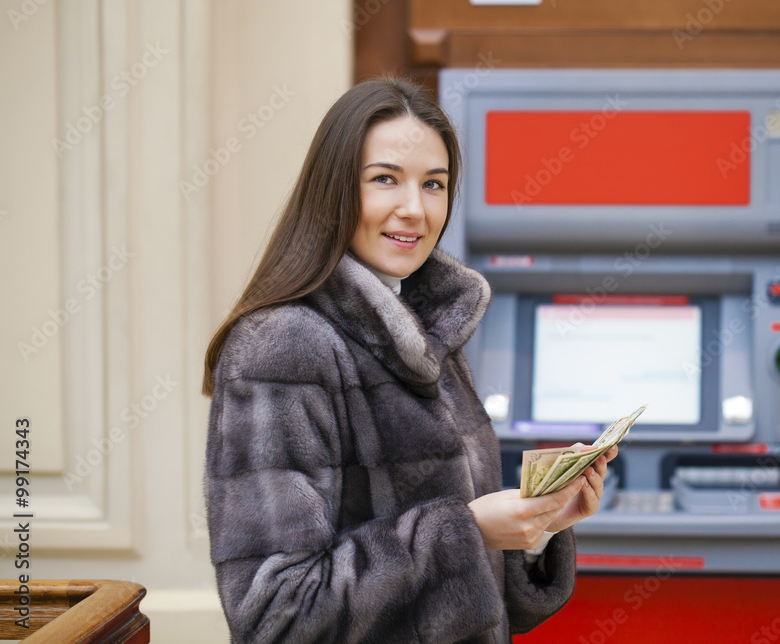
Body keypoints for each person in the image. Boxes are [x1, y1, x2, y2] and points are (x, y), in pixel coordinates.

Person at [201, 76, 616, 643]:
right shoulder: (281, 347)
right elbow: (276, 617)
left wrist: (534, 528)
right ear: (336, 191)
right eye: (385, 180)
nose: (415, 210)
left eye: (434, 185)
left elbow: (474, 606)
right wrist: (466, 531)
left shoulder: (427, 332)